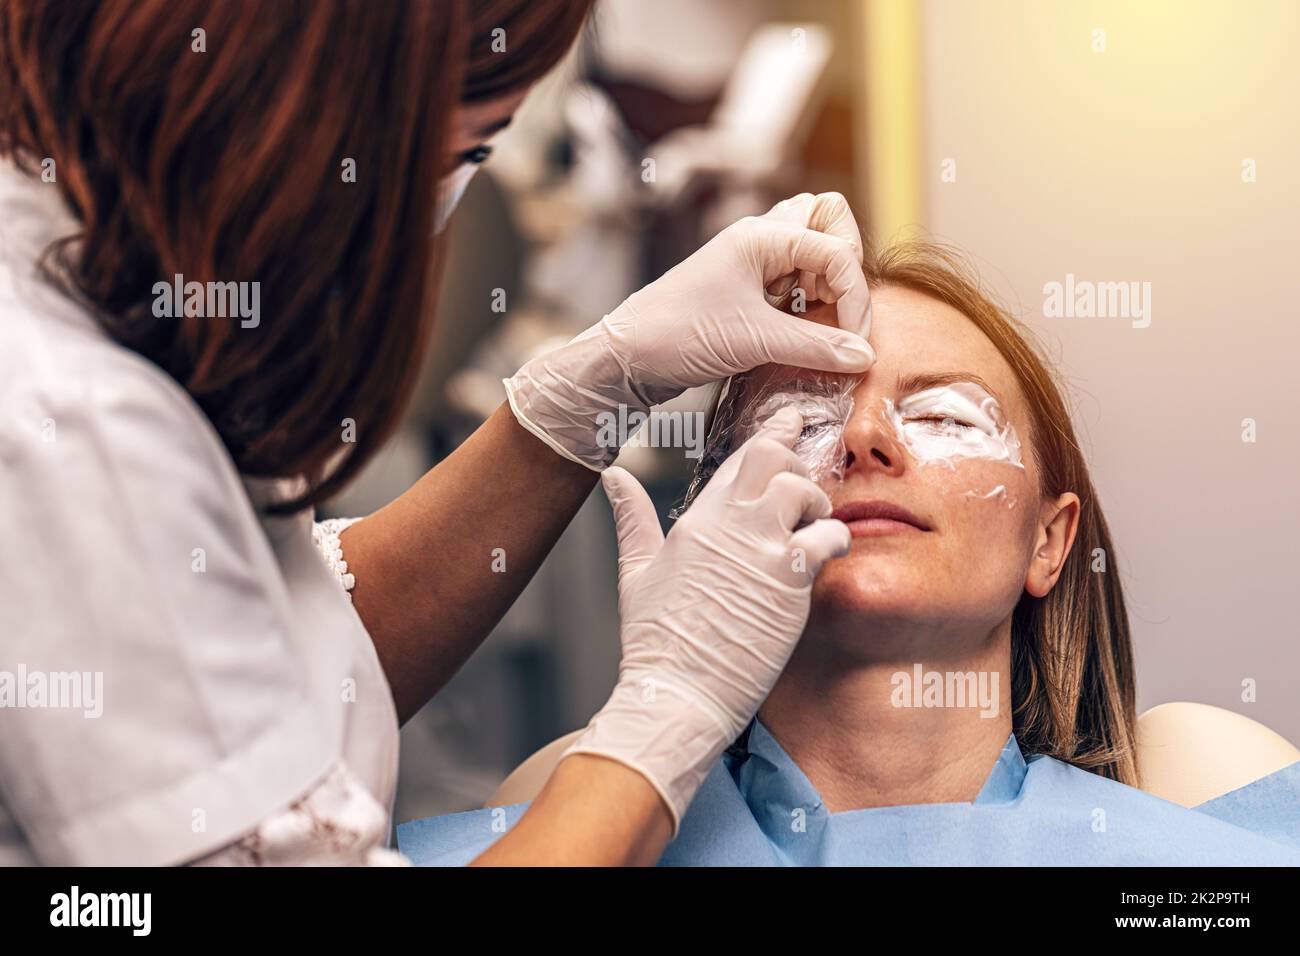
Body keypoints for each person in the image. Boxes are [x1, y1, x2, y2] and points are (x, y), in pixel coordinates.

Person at [0, 0, 874, 865]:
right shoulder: (68, 420)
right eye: (462, 151)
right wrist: (670, 709)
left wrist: (598, 387)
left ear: (1026, 545)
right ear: (298, 105)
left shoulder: (105, 278)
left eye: (947, 413)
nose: (868, 442)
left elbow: (252, 658)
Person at [397, 242, 1300, 866]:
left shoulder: (1194, 863)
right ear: (717, 519)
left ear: (1050, 542)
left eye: (945, 416)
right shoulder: (565, 826)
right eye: (806, 421)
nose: (866, 441)